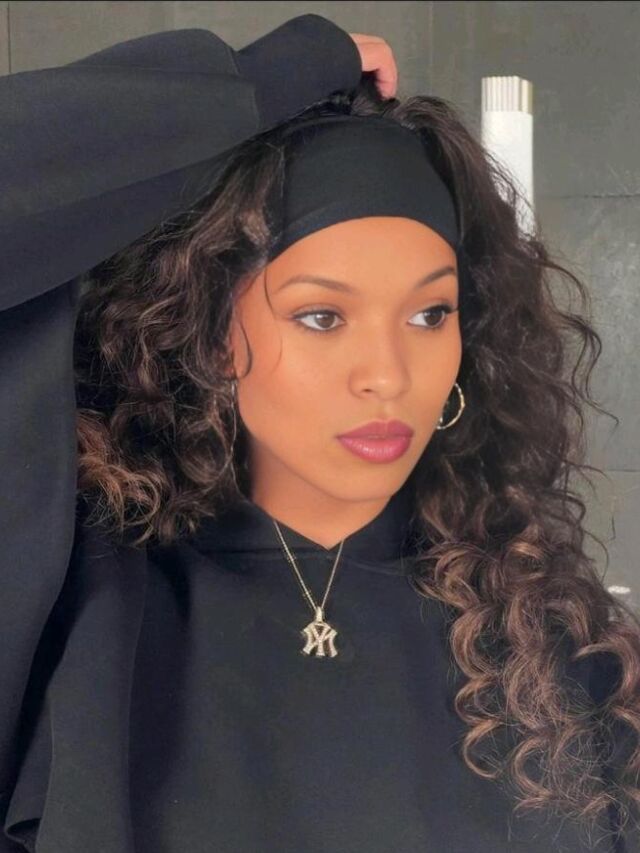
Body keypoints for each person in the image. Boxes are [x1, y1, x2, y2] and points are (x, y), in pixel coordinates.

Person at [1, 11, 638, 853]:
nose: (387, 373)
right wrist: (265, 80)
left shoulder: (548, 654)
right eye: (322, 315)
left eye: (430, 313)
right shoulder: (81, 610)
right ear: (208, 331)